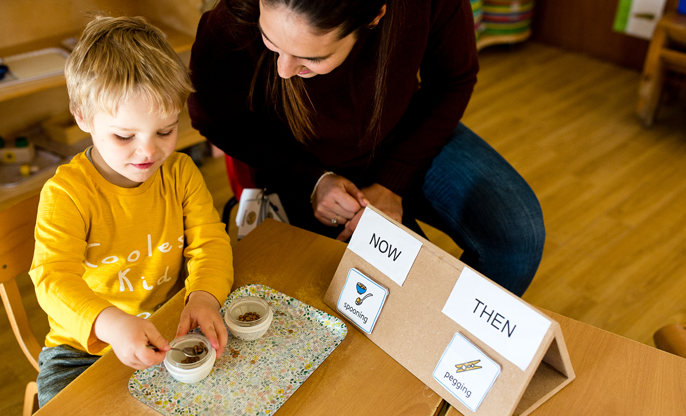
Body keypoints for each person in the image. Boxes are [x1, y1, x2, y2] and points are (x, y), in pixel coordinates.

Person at [187, 0, 545, 296]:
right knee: (403, 285)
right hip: (299, 165)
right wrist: (313, 180)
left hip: (405, 136)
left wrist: (394, 181)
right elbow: (215, 122)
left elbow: (453, 79)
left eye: (310, 59)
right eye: (270, 40)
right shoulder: (229, 24)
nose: (283, 70)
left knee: (518, 234)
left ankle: (453, 345)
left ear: (375, 17)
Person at [30, 16, 234, 407]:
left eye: (165, 131)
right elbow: (52, 279)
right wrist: (111, 324)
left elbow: (210, 242)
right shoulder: (67, 194)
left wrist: (205, 295)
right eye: (124, 136)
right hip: (82, 350)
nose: (149, 152)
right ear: (82, 118)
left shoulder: (180, 173)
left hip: (173, 325)